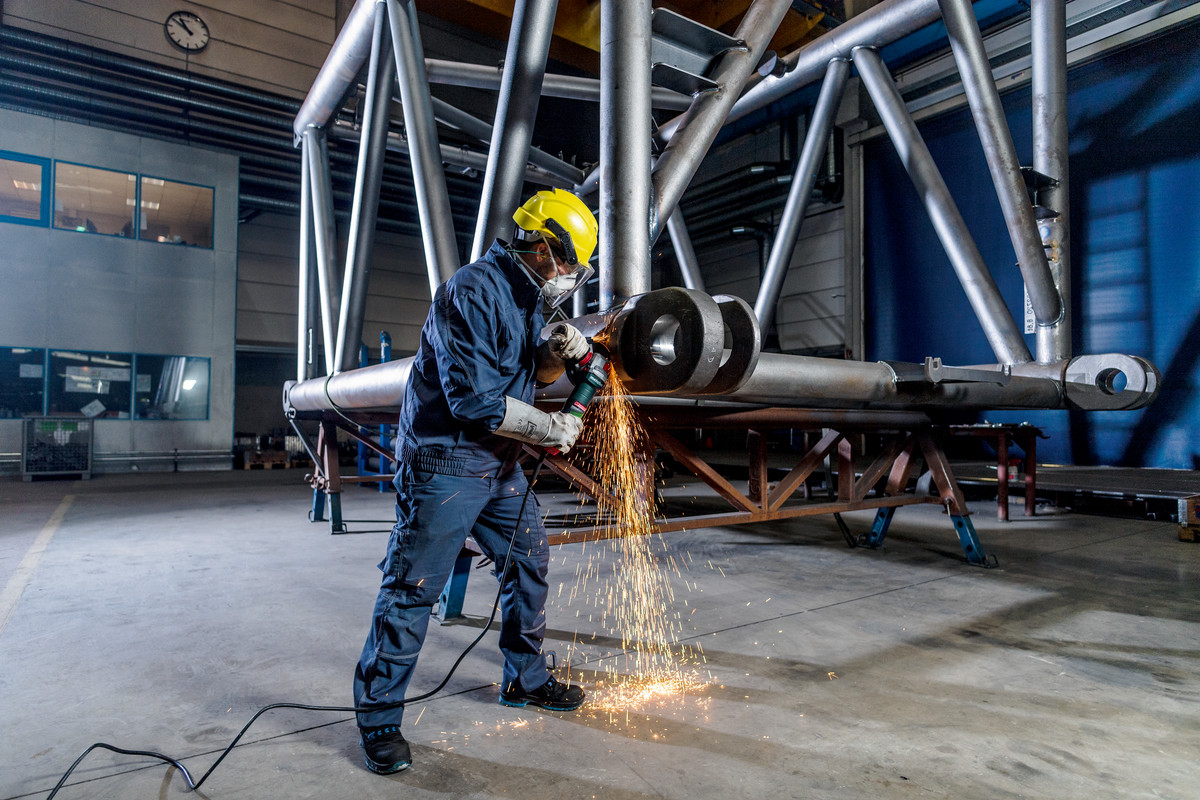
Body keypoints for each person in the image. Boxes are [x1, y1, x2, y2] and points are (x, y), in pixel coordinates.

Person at [352, 189, 599, 775]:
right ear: (542, 248)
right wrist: (552, 428)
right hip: (446, 461)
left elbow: (534, 375)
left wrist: (558, 352)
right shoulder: (471, 291)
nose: (568, 277)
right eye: (566, 264)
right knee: (414, 587)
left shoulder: (528, 298)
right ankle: (379, 718)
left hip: (499, 464)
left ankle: (525, 679)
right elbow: (474, 401)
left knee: (529, 558)